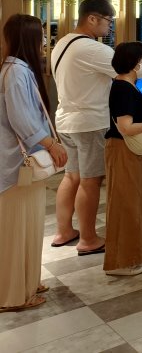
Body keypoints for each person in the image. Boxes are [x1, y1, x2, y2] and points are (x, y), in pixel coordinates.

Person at [0, 15, 68, 312]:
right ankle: (13, 295)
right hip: (18, 165)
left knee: (27, 226)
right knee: (17, 230)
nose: (43, 42)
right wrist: (51, 144)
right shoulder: (16, 72)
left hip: (21, 164)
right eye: (40, 36)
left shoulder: (15, 69)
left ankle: (27, 282)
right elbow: (23, 120)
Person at [51, 0, 116, 256]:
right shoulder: (92, 49)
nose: (109, 26)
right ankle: (88, 239)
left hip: (66, 120)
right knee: (91, 180)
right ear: (92, 18)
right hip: (89, 122)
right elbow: (130, 69)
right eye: (108, 21)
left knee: (71, 176)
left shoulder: (63, 43)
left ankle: (64, 231)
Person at [104, 42, 142, 277]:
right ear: (133, 63)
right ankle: (123, 261)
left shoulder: (128, 85)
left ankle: (138, 250)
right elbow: (126, 127)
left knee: (139, 200)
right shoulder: (122, 88)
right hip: (122, 149)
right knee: (126, 204)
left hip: (132, 151)